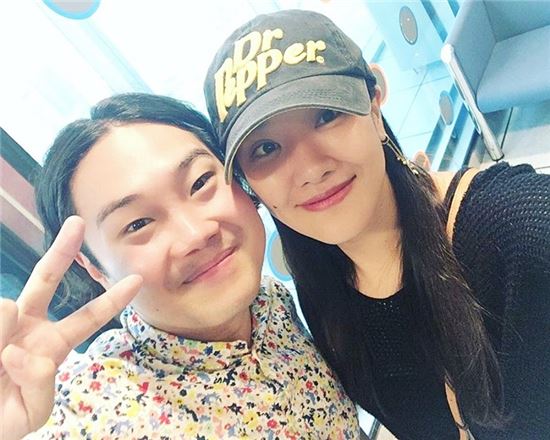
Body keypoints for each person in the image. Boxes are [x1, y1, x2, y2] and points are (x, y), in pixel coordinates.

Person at [203, 9, 550, 440]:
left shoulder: (517, 228)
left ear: (374, 106)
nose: (310, 169)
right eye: (266, 148)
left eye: (327, 114)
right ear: (247, 184)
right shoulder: (322, 287)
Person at [0, 93, 360, 439]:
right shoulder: (99, 410)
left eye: (200, 182)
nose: (195, 234)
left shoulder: (269, 301)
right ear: (95, 268)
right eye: (138, 224)